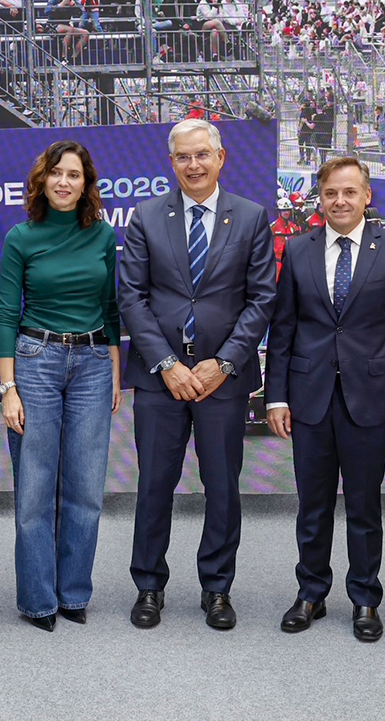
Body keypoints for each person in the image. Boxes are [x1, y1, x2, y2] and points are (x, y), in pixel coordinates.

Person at [118, 119, 277, 632]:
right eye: (183, 157)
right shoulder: (145, 217)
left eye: (202, 155)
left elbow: (261, 300)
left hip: (222, 380)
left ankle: (216, 588)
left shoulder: (251, 218)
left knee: (223, 487)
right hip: (158, 379)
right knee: (153, 487)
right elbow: (133, 299)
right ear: (172, 163)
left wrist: (223, 362)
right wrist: (167, 363)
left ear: (220, 158)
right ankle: (148, 586)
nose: (193, 165)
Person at [265, 157, 385, 642]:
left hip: (371, 399)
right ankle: (310, 593)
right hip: (308, 397)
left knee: (363, 505)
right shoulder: (297, 250)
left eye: (350, 193)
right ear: (320, 196)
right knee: (311, 505)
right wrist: (275, 398)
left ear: (367, 196)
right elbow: (283, 331)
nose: (340, 201)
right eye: (331, 193)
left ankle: (364, 599)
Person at [0, 141, 122, 632]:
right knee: (34, 489)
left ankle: (73, 593)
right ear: (42, 181)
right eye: (56, 173)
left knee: (86, 488)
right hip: (35, 362)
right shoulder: (21, 237)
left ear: (86, 183)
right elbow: (6, 312)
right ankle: (37, 600)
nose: (65, 182)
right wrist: (8, 387)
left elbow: (110, 308)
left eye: (74, 174)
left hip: (93, 363)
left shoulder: (104, 236)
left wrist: (114, 368)